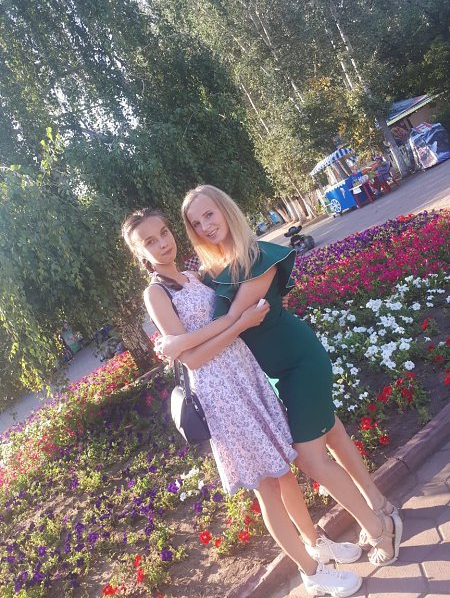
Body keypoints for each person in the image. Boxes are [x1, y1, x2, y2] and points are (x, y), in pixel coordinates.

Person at [157, 185, 403, 568]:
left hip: (298, 362)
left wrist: (177, 344)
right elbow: (210, 321)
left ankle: (378, 529)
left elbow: (233, 319)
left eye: (209, 214)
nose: (205, 226)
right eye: (196, 222)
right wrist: (180, 343)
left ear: (226, 210)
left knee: (309, 459)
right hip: (271, 376)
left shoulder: (257, 258)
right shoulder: (210, 272)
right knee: (333, 434)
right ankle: (379, 505)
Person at [122, 208, 363, 598]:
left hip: (245, 378)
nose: (163, 243)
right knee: (267, 487)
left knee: (283, 471)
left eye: (164, 232)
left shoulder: (192, 276)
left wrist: (217, 329)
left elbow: (196, 337)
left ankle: (315, 542)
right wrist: (239, 324)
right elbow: (194, 359)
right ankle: (311, 572)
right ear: (140, 253)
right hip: (221, 395)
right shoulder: (156, 293)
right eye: (150, 241)